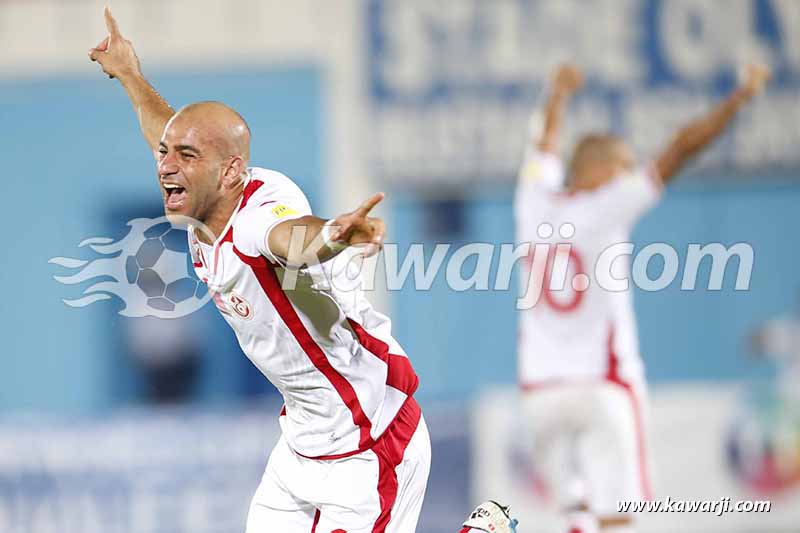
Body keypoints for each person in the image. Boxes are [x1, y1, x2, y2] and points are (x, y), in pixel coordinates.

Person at [89, 8, 430, 532]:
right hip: (300, 444)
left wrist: (336, 235)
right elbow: (163, 129)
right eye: (165, 154)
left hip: (370, 438)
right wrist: (131, 75)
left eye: (185, 155)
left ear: (229, 171)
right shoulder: (204, 198)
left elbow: (291, 240)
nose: (166, 166)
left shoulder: (256, 218)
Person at [515, 63, 770, 533]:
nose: (629, 175)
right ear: (604, 172)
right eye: (625, 167)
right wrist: (737, 100)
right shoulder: (608, 204)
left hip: (540, 391)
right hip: (601, 383)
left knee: (574, 516)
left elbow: (544, 143)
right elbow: (681, 148)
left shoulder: (532, 200)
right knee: (615, 517)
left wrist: (557, 94)